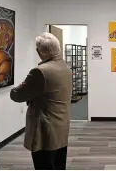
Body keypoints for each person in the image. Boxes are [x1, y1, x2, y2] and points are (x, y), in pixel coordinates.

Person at [10, 32, 72, 170]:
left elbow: (16, 95)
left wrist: (20, 86)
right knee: (59, 165)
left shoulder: (40, 71)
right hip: (61, 127)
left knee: (44, 165)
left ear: (40, 52)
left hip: (45, 131)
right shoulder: (65, 68)